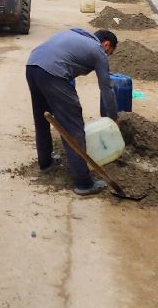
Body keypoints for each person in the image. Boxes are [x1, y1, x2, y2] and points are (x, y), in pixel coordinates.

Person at [25, 27, 120, 196]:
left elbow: (67, 66)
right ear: (106, 45)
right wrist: (113, 118)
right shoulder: (98, 51)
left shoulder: (76, 34)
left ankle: (45, 163)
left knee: (42, 119)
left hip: (32, 65)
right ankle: (83, 183)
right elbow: (106, 88)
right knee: (73, 127)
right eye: (110, 53)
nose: (108, 56)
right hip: (52, 72)